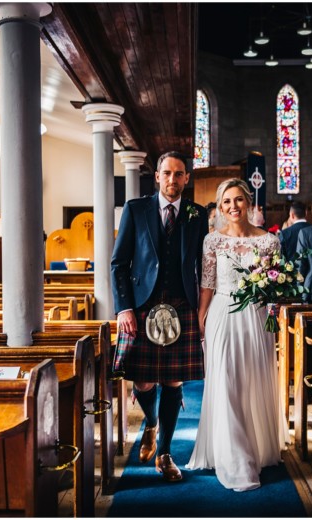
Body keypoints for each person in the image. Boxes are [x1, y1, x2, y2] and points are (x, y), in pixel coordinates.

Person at [111, 151, 208, 482]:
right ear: (156, 176)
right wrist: (124, 307)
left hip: (182, 307)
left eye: (179, 174)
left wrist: (203, 311)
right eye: (167, 173)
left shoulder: (197, 215)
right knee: (144, 381)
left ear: (186, 178)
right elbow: (118, 263)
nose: (172, 179)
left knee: (174, 380)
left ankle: (165, 453)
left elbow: (202, 266)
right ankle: (151, 423)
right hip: (141, 307)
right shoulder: (136, 210)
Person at [187, 178, 288, 491]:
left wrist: (274, 311)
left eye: (238, 200)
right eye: (226, 202)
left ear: (249, 203)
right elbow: (207, 284)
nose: (233, 207)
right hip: (222, 315)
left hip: (256, 318)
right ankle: (237, 462)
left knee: (250, 382)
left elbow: (275, 285)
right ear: (220, 207)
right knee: (227, 383)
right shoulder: (212, 241)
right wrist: (202, 317)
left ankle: (256, 448)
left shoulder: (268, 241)